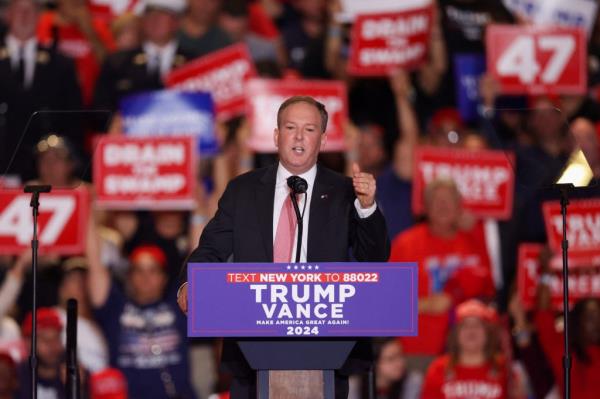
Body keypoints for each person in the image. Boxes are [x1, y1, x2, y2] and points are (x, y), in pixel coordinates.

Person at [178, 96, 390, 398]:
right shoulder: (243, 190)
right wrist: (191, 281)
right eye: (291, 127)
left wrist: (367, 207)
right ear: (276, 136)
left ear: (324, 139)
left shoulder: (346, 192)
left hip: (326, 351)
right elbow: (211, 247)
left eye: (310, 129)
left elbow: (375, 258)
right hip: (251, 352)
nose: (299, 136)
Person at [87, 215, 196, 399]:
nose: (146, 277)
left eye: (153, 270)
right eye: (139, 270)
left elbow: (198, 260)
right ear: (129, 276)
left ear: (164, 278)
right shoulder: (114, 309)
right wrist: (90, 212)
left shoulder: (179, 304)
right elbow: (95, 264)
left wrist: (198, 209)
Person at [389, 179, 494, 366]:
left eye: (449, 200)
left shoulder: (474, 241)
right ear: (426, 208)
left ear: (460, 205)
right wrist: (423, 305)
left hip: (468, 355)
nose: (443, 205)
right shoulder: (405, 244)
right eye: (436, 200)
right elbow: (385, 304)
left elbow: (489, 295)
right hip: (418, 352)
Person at [0, 0, 82, 182]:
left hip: (45, 172)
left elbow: (73, 120)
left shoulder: (61, 64)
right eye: (18, 9)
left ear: (40, 16)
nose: (24, 16)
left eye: (31, 10)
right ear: (6, 15)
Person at [92, 0, 193, 111]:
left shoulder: (193, 63)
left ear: (176, 22)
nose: (154, 20)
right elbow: (99, 109)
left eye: (162, 15)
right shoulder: (117, 63)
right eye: (149, 14)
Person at [420, 300, 513, 399]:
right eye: (464, 326)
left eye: (477, 325)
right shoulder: (438, 368)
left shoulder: (504, 367)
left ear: (488, 333)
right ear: (455, 334)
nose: (471, 330)